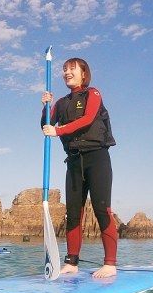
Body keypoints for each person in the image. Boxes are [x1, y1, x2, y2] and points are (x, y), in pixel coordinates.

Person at [41, 57, 118, 278]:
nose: (67, 72)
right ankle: (72, 263)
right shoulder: (61, 103)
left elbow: (87, 119)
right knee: (73, 214)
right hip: (74, 161)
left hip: (97, 158)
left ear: (84, 73)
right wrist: (46, 107)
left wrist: (59, 131)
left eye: (72, 69)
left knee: (102, 210)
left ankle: (110, 264)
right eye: (64, 69)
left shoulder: (93, 93)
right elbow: (46, 126)